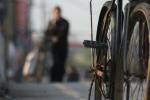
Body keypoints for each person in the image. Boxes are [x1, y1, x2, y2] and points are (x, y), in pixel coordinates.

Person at [45, 6, 69, 82]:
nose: (56, 15)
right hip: (54, 48)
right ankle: (53, 80)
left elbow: (63, 32)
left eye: (58, 13)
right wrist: (52, 38)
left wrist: (56, 36)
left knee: (61, 65)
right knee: (54, 63)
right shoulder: (50, 23)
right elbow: (47, 34)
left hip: (62, 47)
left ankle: (59, 80)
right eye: (55, 13)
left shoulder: (65, 22)